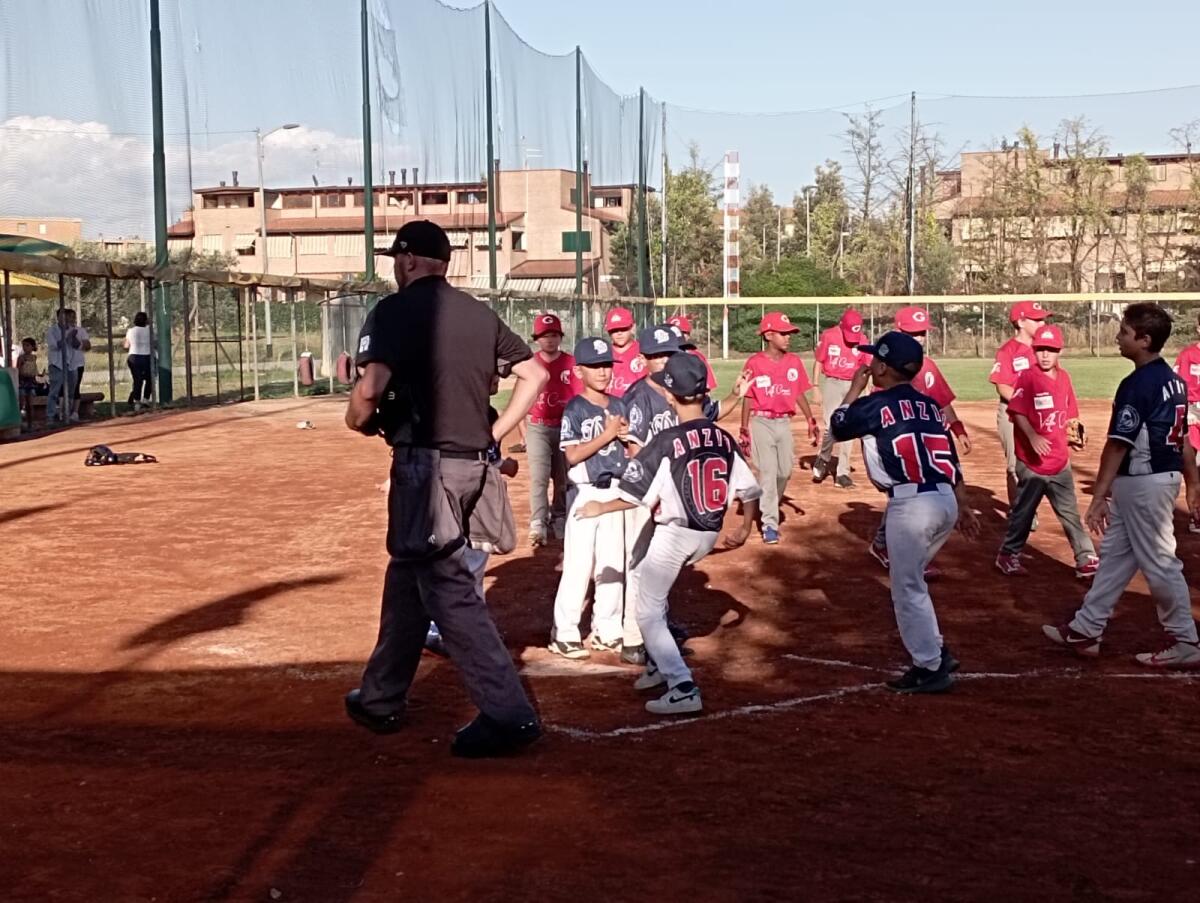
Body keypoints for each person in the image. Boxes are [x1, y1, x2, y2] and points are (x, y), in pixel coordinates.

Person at [343, 220, 548, 758]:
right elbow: (534, 375)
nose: (394, 267)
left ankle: (508, 714)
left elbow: (370, 391)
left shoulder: (394, 311)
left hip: (426, 468)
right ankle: (381, 696)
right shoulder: (479, 313)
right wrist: (496, 432)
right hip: (475, 466)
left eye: (396, 259)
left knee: (449, 588)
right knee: (409, 575)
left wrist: (356, 418)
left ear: (409, 260)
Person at [575, 352, 761, 715]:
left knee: (647, 610)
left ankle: (682, 684)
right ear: (705, 393)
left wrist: (600, 507)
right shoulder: (722, 438)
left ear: (669, 395)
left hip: (677, 534)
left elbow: (633, 495)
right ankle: (661, 664)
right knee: (647, 579)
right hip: (708, 533)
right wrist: (743, 526)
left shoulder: (666, 441)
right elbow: (750, 491)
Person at [1043, 303, 1200, 669]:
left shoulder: (1137, 384)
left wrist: (1098, 496)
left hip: (1144, 483)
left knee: (1161, 563)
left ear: (1144, 340)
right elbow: (1186, 442)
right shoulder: (1174, 381)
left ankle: (1186, 639)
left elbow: (1118, 444)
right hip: (1154, 481)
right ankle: (1087, 628)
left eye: (1125, 332)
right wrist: (1192, 484)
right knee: (1115, 557)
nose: (1118, 337)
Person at [831, 332, 980, 694]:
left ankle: (930, 666)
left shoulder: (875, 405)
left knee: (906, 588)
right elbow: (952, 462)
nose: (869, 366)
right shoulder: (929, 406)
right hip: (944, 499)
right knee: (913, 582)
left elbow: (838, 427)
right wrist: (963, 504)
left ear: (882, 366)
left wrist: (853, 389)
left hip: (911, 506)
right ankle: (936, 651)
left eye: (873, 361)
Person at [618, 324, 749, 665]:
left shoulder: (682, 390)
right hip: (648, 488)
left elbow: (708, 418)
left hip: (672, 491)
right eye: (658, 356)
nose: (665, 361)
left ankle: (656, 631)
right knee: (637, 563)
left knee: (659, 569)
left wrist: (736, 394)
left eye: (671, 354)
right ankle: (635, 638)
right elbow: (633, 449)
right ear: (644, 359)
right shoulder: (637, 397)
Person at [868, 306, 971, 574]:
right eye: (914, 332)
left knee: (919, 490)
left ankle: (893, 545)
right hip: (901, 437)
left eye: (923, 332)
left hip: (928, 436)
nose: (920, 337)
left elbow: (943, 401)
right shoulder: (886, 368)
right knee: (905, 490)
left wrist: (958, 428)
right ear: (899, 332)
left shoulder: (929, 367)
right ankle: (896, 548)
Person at [425, 368, 520, 657]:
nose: (496, 381)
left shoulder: (489, 414)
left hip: (478, 498)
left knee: (474, 563)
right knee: (456, 563)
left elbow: (488, 459)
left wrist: (503, 465)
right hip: (454, 497)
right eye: (491, 376)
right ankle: (439, 628)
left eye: (497, 377)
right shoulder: (454, 413)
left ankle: (469, 627)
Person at [548, 337, 631, 659]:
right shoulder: (575, 408)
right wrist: (608, 435)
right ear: (579, 371)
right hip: (585, 493)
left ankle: (607, 630)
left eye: (607, 365)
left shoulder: (620, 404)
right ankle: (564, 632)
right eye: (595, 366)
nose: (603, 371)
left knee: (613, 565)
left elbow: (630, 451)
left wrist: (625, 439)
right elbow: (572, 455)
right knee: (579, 566)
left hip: (615, 491)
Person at [995, 324, 1099, 579]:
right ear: (1034, 350)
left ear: (1059, 352)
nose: (1044, 355)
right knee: (1024, 511)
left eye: (1050, 350)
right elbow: (1017, 411)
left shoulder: (1064, 378)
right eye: (1040, 349)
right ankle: (1008, 554)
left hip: (1059, 458)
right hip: (1032, 461)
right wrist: (1032, 436)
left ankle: (1085, 557)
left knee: (1069, 511)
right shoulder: (1028, 377)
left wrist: (1074, 434)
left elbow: (1071, 414)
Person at [739, 312, 820, 544]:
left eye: (789, 333)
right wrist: (744, 428)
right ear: (768, 335)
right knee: (768, 472)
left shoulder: (793, 362)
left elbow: (798, 392)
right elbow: (748, 397)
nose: (788, 338)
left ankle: (768, 501)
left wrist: (810, 419)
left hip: (784, 422)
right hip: (761, 421)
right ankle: (770, 524)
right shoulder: (755, 362)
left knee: (784, 471)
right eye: (783, 333)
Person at [992, 300, 1050, 510]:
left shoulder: (1044, 350)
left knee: (1042, 463)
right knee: (1014, 466)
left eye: (1043, 318)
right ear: (1021, 322)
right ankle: (1020, 511)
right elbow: (1002, 386)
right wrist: (1024, 405)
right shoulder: (1008, 351)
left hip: (1041, 414)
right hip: (1012, 414)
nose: (1042, 322)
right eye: (1037, 319)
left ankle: (1030, 504)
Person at [525, 313, 577, 547]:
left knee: (562, 476)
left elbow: (578, 398)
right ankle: (538, 521)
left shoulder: (570, 363)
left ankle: (558, 516)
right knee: (538, 477)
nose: (549, 340)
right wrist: (523, 430)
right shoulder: (531, 363)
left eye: (554, 335)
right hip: (538, 426)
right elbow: (522, 399)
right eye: (544, 336)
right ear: (537, 339)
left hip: (564, 427)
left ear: (560, 337)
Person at [811, 308, 867, 488]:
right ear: (842, 326)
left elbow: (867, 367)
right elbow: (819, 361)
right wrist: (816, 387)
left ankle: (843, 473)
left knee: (849, 428)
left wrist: (867, 389)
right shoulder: (829, 336)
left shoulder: (863, 340)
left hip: (853, 385)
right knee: (830, 425)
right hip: (833, 383)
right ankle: (824, 457)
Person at [1173, 312, 1200, 534]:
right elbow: (1178, 386)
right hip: (1192, 411)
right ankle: (1196, 514)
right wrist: (1187, 411)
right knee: (1193, 468)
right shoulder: (1188, 355)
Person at [666, 314, 717, 390]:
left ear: (688, 335)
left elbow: (706, 388)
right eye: (672, 333)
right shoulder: (654, 357)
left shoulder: (697, 357)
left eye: (682, 332)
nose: (677, 336)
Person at [605, 306, 642, 397]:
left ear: (632, 327)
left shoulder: (643, 351)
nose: (619, 333)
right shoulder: (603, 353)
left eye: (623, 328)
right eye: (614, 330)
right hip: (610, 406)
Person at [124, 311, 152, 410]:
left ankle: (137, 402)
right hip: (146, 356)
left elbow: (126, 345)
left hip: (133, 357)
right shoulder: (150, 330)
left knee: (137, 380)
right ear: (146, 321)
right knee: (149, 379)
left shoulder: (131, 330)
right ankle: (146, 399)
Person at [17, 337, 41, 426]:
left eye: (27, 345)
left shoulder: (34, 357)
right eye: (23, 345)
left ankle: (30, 423)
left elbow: (34, 369)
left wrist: (39, 375)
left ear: (32, 347)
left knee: (30, 404)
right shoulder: (21, 358)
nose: (25, 347)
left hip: (31, 382)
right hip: (23, 381)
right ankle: (20, 423)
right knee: (22, 403)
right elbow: (18, 369)